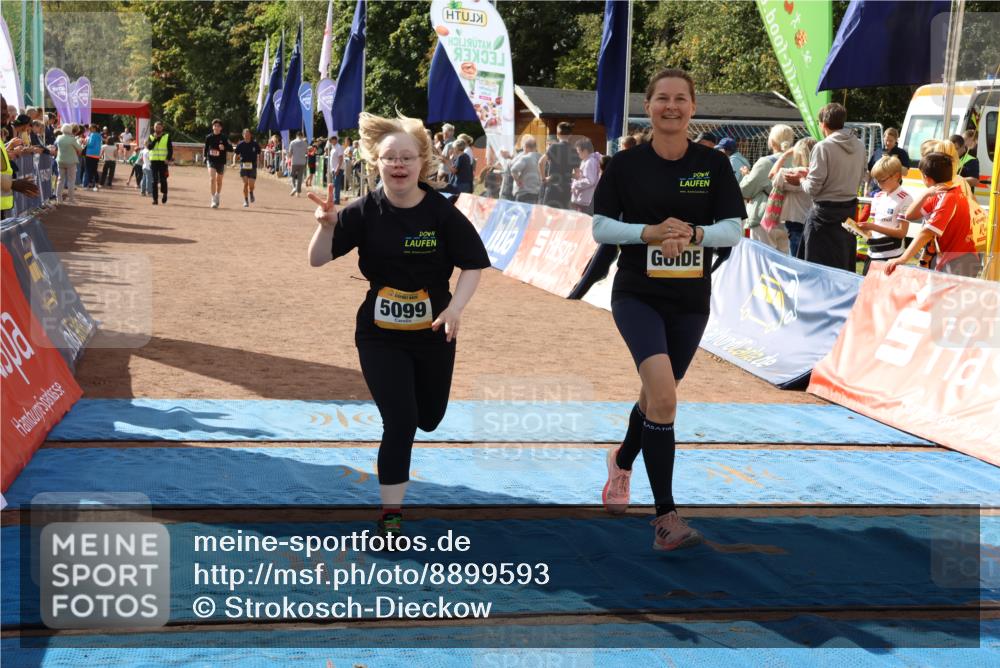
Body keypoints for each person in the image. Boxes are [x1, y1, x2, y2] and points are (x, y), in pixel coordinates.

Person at [307, 112, 490, 539]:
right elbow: (316, 259)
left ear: (421, 162)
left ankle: (413, 434)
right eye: (390, 157)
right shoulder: (363, 210)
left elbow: (474, 265)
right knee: (401, 420)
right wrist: (326, 227)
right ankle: (391, 515)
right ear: (376, 161)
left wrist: (455, 309)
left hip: (433, 334)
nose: (399, 165)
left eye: (407, 157)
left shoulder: (441, 214)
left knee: (429, 417)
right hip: (379, 334)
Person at [591, 69, 746, 551]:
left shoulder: (714, 166)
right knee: (665, 398)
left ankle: (622, 458)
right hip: (636, 295)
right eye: (662, 99)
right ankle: (666, 518)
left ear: (693, 108)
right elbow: (600, 228)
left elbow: (734, 230)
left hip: (690, 301)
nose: (671, 107)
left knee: (656, 397)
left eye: (681, 99)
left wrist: (695, 235)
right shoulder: (625, 165)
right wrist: (649, 233)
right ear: (649, 105)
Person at [785, 103, 866, 270]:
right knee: (842, 269)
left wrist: (800, 180)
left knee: (815, 271)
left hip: (823, 219)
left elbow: (812, 188)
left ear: (823, 123)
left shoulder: (823, 146)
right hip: (847, 214)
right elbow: (862, 177)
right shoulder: (860, 145)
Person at [884, 152, 979, 278]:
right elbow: (909, 215)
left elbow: (927, 233)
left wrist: (902, 259)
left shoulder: (948, 196)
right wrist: (926, 194)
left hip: (960, 260)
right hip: (954, 258)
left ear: (926, 178)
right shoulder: (941, 192)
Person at [740, 124, 794, 252]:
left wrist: (746, 176)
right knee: (786, 264)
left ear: (772, 141)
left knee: (762, 262)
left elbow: (745, 190)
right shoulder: (799, 160)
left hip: (765, 218)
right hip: (792, 218)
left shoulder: (765, 162)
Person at [858, 156, 913, 275]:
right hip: (872, 253)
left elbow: (902, 232)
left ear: (897, 176)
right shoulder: (877, 197)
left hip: (891, 256)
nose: (878, 184)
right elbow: (873, 229)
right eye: (876, 180)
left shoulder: (906, 198)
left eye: (882, 180)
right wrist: (861, 230)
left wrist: (872, 227)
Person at [770, 136, 816, 257]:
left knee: (796, 260)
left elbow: (772, 175)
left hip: (797, 221)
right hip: (813, 220)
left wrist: (784, 155)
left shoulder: (796, 172)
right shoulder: (817, 172)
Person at [538, 121, 575, 208]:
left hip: (553, 187)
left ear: (558, 135)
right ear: (570, 135)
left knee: (547, 215)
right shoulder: (573, 150)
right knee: (563, 217)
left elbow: (541, 162)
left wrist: (543, 178)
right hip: (566, 188)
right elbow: (577, 174)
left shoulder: (554, 147)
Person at [866, 127, 910, 193]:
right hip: (875, 190)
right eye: (886, 140)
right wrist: (866, 188)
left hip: (892, 190)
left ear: (896, 140)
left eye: (891, 141)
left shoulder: (901, 153)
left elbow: (905, 173)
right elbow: (870, 171)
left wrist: (892, 163)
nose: (888, 143)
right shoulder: (878, 151)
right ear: (883, 138)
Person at [204, 119, 232, 208]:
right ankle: (213, 199)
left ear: (221, 128)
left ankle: (217, 195)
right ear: (212, 127)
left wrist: (224, 147)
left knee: (219, 181)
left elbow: (231, 148)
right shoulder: (208, 137)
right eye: (214, 126)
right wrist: (205, 156)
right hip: (211, 160)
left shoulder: (224, 138)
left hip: (221, 162)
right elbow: (206, 148)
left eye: (218, 126)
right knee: (212, 179)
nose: (216, 127)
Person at [570, 138, 601, 214]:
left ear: (585, 151)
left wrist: (575, 184)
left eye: (578, 152)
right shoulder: (587, 160)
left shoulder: (590, 162)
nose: (578, 154)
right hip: (584, 199)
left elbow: (590, 181)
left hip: (586, 199)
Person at [146, 121, 173, 205]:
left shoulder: (167, 136)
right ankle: (155, 199)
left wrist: (168, 159)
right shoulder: (150, 137)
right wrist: (155, 139)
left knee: (163, 179)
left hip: (163, 161)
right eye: (156, 127)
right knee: (154, 181)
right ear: (153, 128)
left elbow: (170, 149)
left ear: (162, 128)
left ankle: (164, 193)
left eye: (159, 127)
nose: (157, 129)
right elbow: (149, 147)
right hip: (154, 161)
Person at [509, 136, 542, 204]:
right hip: (537, 193)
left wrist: (517, 180)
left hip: (523, 193)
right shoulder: (541, 158)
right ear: (535, 147)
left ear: (525, 147)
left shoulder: (525, 158)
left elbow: (513, 169)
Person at [233, 128, 261, 208]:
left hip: (253, 166)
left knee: (251, 185)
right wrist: (234, 163)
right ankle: (246, 200)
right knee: (245, 184)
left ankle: (251, 192)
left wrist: (260, 163)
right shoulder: (240, 144)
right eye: (245, 135)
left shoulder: (255, 144)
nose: (247, 136)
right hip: (243, 165)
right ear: (243, 135)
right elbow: (236, 154)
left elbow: (259, 153)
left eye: (248, 135)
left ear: (250, 135)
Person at [84, 124, 104, 192]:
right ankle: (96, 183)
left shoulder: (92, 135)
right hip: (96, 154)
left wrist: (85, 142)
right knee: (94, 169)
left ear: (94, 128)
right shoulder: (99, 135)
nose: (89, 129)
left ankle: (89, 184)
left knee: (89, 169)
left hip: (90, 154)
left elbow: (91, 144)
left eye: (90, 128)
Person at [288, 131, 309, 196]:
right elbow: (307, 152)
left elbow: (290, 153)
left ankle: (294, 187)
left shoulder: (292, 142)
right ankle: (298, 192)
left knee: (293, 176)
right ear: (302, 136)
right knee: (300, 177)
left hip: (294, 161)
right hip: (302, 162)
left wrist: (289, 157)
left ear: (296, 135)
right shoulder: (305, 143)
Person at [328, 134, 345, 204]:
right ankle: (335, 199)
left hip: (338, 169)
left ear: (335, 140)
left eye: (331, 140)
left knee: (336, 184)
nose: (330, 142)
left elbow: (341, 159)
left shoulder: (339, 147)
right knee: (335, 184)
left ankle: (336, 199)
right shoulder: (333, 147)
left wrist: (337, 169)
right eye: (330, 141)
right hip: (334, 169)